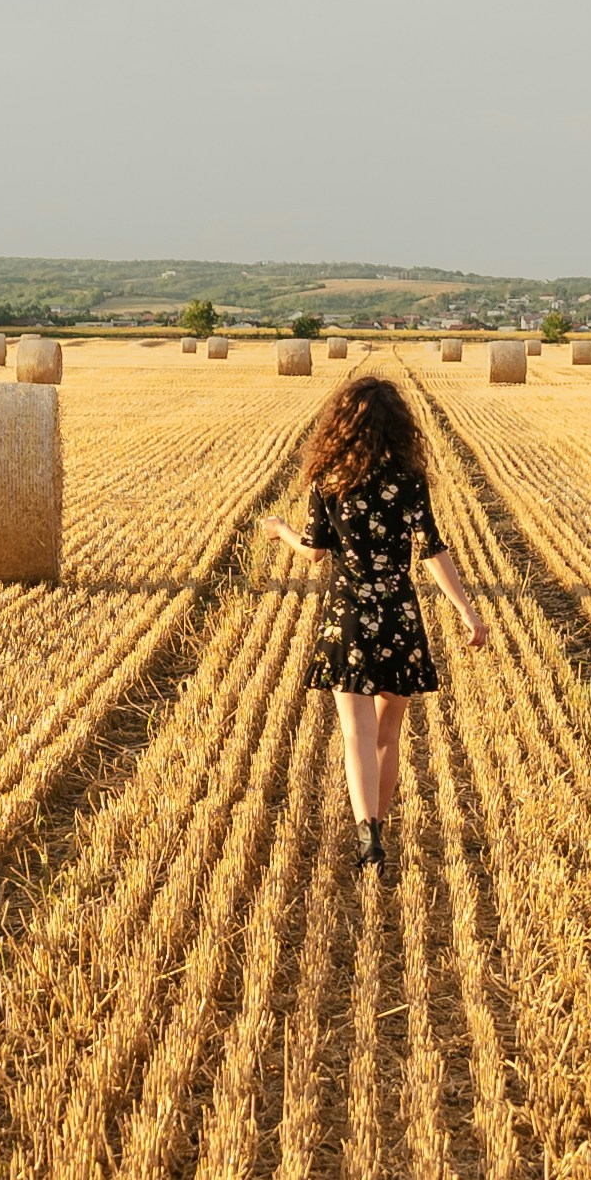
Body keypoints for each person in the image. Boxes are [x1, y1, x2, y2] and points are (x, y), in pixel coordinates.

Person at [259, 370, 487, 866]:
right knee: (388, 735)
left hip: (348, 617)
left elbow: (316, 552)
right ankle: (378, 823)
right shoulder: (410, 483)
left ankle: (368, 833)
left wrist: (280, 531)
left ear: (343, 425)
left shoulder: (329, 482)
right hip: (399, 618)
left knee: (356, 734)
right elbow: (433, 550)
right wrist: (466, 609)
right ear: (398, 428)